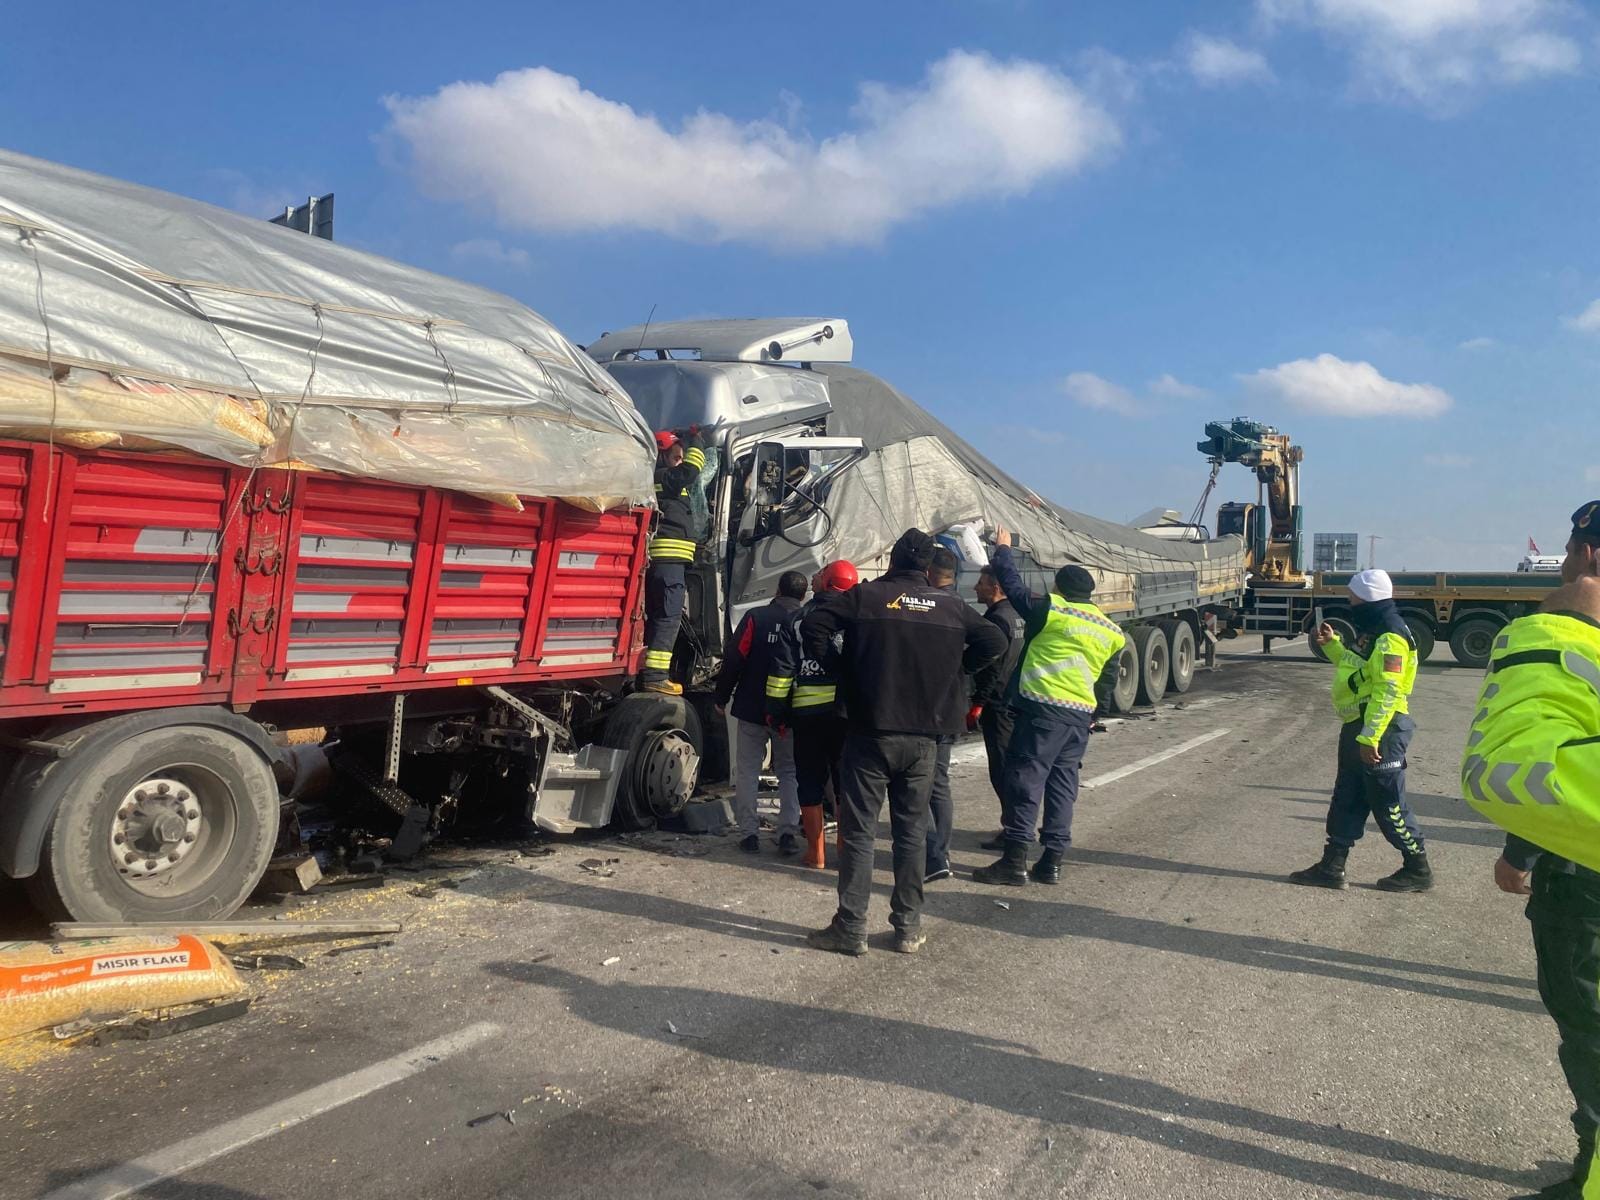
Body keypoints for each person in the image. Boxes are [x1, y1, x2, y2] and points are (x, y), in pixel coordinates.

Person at [1464, 501, 1600, 1200]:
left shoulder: (1576, 641)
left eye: (1572, 548)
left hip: (1585, 885)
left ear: (1588, 556)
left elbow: (1527, 771)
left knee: (1592, 1032)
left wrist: (1553, 635)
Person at [801, 529, 1006, 955]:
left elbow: (815, 624)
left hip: (870, 732)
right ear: (928, 569)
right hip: (925, 738)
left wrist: (844, 671)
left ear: (893, 561)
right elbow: (995, 640)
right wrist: (956, 672)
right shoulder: (950, 605)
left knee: (859, 833)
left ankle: (851, 927)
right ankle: (908, 927)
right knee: (911, 833)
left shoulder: (867, 597)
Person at [973, 526, 1126, 887]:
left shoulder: (1051, 611)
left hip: (1042, 712)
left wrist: (1003, 549)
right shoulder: (1110, 630)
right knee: (1062, 787)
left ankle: (1014, 862)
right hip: (1078, 719)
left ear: (1060, 588)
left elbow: (1011, 585)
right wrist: (1094, 715)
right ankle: (1051, 862)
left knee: (1024, 783)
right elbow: (1106, 680)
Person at [1289, 568, 1430, 892]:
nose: (1349, 602)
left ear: (1366, 598)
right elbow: (1358, 668)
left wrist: (1370, 736)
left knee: (1388, 803)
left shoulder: (1391, 635)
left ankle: (1418, 868)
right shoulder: (1373, 629)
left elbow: (1388, 690)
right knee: (1347, 796)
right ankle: (1332, 866)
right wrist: (1333, 646)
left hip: (1381, 729)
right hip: (1359, 725)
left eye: (1352, 597)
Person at [766, 559, 859, 868]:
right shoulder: (858, 618)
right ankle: (845, 851)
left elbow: (781, 671)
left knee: (809, 781)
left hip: (807, 714)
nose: (815, 576)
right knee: (845, 783)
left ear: (828, 582)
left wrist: (776, 713)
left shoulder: (797, 618)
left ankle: (815, 853)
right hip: (846, 715)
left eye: (821, 573)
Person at [715, 571, 808, 855]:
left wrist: (721, 697)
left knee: (748, 771)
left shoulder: (756, 617)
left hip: (752, 708)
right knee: (789, 771)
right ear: (803, 595)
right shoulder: (806, 620)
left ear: (778, 590)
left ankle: (749, 834)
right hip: (790, 712)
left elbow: (734, 658)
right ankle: (788, 833)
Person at [641, 427, 707, 694]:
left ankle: (646, 673)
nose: (680, 462)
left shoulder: (664, 481)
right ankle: (655, 676)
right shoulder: (662, 477)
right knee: (668, 617)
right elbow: (690, 472)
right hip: (668, 560)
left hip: (666, 562)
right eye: (676, 457)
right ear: (661, 457)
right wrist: (697, 442)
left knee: (657, 617)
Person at [972, 563, 1027, 851]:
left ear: (995, 587)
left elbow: (993, 668)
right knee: (1012, 766)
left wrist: (978, 702)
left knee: (1002, 769)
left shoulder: (996, 620)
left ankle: (1014, 831)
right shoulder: (1017, 615)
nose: (975, 587)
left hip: (998, 703)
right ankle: (1016, 825)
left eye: (980, 583)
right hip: (1015, 700)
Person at [924, 546, 963, 883]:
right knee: (939, 783)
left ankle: (933, 856)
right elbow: (992, 642)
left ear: (929, 572)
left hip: (924, 709)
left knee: (916, 783)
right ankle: (942, 852)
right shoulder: (961, 607)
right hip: (950, 707)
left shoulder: (928, 606)